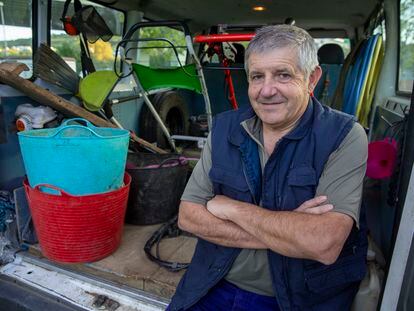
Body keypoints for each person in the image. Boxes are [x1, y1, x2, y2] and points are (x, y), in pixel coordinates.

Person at [168, 25, 368, 311]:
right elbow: (188, 217)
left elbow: (323, 244)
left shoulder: (344, 135)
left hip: (296, 300)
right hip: (212, 283)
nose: (266, 90)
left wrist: (232, 209)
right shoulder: (225, 128)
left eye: (283, 75)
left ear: (312, 79)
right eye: (257, 76)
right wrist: (289, 232)